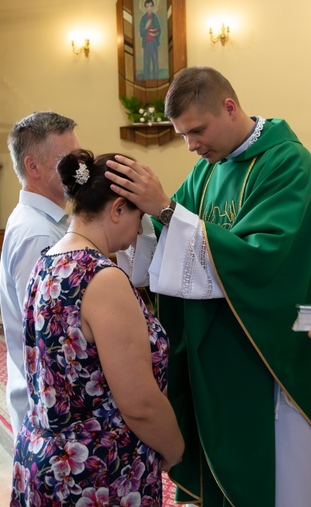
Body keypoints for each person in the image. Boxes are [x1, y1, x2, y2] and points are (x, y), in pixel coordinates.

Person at [104, 66, 311, 506]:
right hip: (212, 353)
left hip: (261, 352)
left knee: (274, 478)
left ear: (230, 107)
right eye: (182, 135)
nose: (192, 145)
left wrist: (163, 209)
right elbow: (169, 234)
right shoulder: (209, 168)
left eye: (197, 130)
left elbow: (263, 260)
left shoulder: (287, 163)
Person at [10, 149, 184, 506]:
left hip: (44, 458)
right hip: (94, 472)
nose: (139, 231)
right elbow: (139, 403)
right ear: (118, 208)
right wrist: (175, 448)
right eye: (139, 219)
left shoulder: (49, 260)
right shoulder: (101, 278)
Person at [0, 111, 80, 441]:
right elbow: (51, 338)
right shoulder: (40, 235)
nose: (78, 169)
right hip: (50, 411)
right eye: (67, 160)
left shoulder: (43, 222)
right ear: (33, 167)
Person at [139, 0, 161, 80]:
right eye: (147, 6)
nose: (149, 8)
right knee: (146, 63)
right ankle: (147, 80)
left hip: (154, 43)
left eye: (150, 6)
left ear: (153, 7)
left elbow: (159, 29)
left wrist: (155, 32)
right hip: (146, 43)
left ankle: (156, 79)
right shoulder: (143, 19)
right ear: (145, 7)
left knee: (155, 62)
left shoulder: (155, 18)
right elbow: (141, 32)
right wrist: (145, 27)